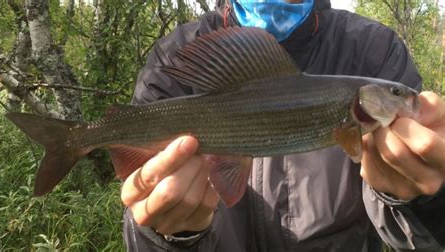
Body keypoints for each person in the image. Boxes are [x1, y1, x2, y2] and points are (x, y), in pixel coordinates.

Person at [121, 0, 445, 251]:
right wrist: (168, 237)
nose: (403, 97)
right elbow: (138, 206)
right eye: (394, 93)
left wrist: (428, 198)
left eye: (395, 92)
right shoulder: (175, 58)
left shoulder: (375, 51)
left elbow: (414, 236)